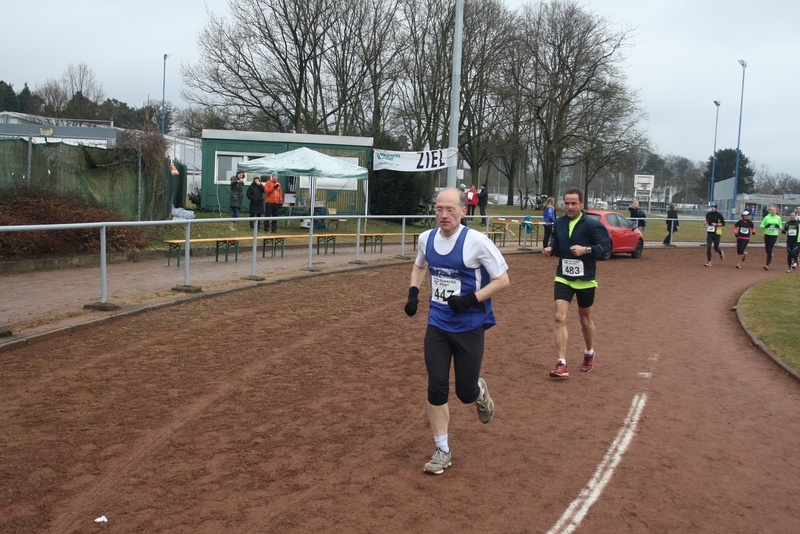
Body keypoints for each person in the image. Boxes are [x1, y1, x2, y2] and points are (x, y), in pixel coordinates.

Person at [404, 187, 510, 475]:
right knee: (436, 384)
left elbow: (502, 280)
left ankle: (479, 392)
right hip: (438, 323)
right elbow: (419, 266)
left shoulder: (477, 242)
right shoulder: (426, 238)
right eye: (439, 209)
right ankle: (442, 450)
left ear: (463, 211)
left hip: (469, 325)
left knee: (465, 392)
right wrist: (413, 293)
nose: (443, 215)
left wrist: (471, 299)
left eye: (450, 209)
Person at [543, 187, 611, 379]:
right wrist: (551, 249)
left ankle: (589, 352)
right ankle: (561, 363)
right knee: (559, 317)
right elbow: (557, 241)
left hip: (585, 278)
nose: (570, 207)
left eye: (574, 203)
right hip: (563, 276)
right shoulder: (560, 223)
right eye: (567, 203)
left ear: (582, 204)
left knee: (584, 320)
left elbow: (606, 247)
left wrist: (586, 250)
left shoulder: (592, 225)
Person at [760, 205, 782, 270]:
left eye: (774, 210)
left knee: (769, 248)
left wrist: (778, 226)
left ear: (776, 211)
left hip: (774, 235)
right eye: (771, 210)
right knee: (767, 249)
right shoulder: (766, 217)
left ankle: (767, 264)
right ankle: (770, 256)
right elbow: (761, 225)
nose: (772, 211)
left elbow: (781, 226)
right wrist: (766, 226)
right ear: (770, 211)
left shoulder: (778, 218)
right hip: (767, 234)